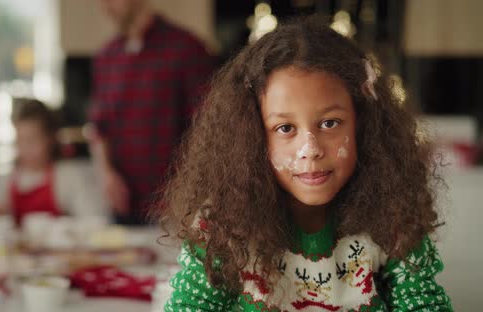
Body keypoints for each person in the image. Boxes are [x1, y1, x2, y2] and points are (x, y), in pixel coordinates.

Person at [157, 18, 453, 311]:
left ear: (364, 127)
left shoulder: (393, 217)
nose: (309, 149)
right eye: (285, 128)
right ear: (251, 137)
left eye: (329, 123)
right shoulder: (221, 225)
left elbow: (424, 305)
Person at [88, 0, 213, 225]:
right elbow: (99, 128)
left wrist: (190, 191)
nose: (104, 6)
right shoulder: (106, 56)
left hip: (174, 207)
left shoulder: (185, 48)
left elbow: (208, 129)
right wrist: (105, 173)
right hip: (123, 206)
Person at [0, 99, 107, 226]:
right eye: (20, 140)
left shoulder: (69, 175)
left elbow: (95, 221)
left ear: (50, 139)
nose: (26, 149)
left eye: (32, 140)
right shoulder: (6, 180)